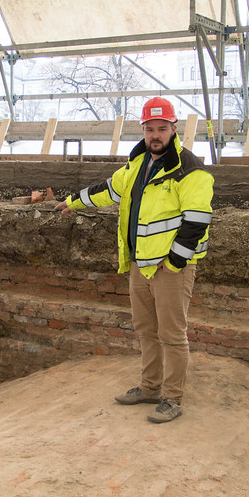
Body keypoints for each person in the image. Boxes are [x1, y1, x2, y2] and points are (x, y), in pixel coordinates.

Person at [55, 97, 214, 423]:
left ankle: (172, 398)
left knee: (172, 333)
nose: (156, 135)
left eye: (162, 128)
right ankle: (149, 387)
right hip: (140, 264)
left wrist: (174, 263)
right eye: (150, 129)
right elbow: (108, 190)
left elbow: (197, 222)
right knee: (146, 330)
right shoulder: (137, 165)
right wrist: (73, 202)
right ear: (142, 130)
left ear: (174, 129)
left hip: (170, 268)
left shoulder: (191, 170)